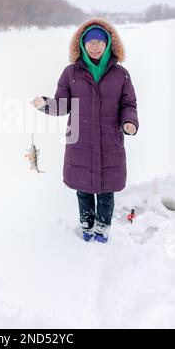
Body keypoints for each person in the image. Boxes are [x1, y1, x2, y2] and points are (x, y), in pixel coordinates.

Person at [31, 17, 139, 243]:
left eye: (100, 41)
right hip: (80, 141)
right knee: (83, 189)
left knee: (107, 191)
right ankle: (87, 226)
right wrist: (45, 104)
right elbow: (63, 105)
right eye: (90, 42)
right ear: (82, 45)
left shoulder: (121, 75)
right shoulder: (71, 73)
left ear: (109, 44)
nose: (95, 46)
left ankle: (103, 229)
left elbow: (129, 105)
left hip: (110, 142)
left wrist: (129, 122)